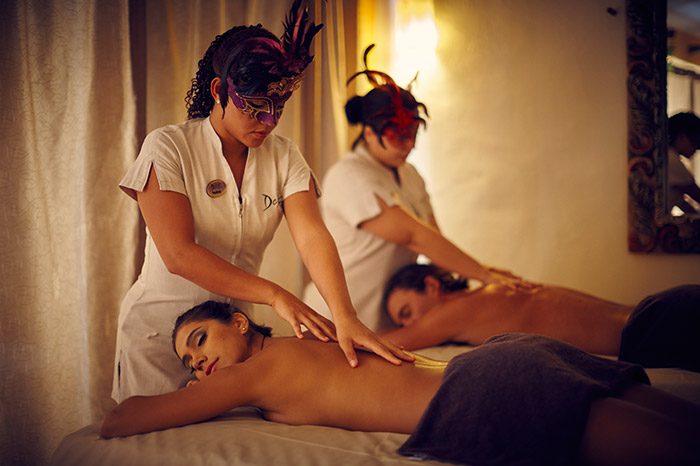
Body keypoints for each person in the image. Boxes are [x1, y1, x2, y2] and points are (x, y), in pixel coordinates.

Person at [112, 2, 409, 403]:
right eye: (256, 105)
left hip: (234, 340)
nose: (268, 121)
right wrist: (275, 294)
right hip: (162, 336)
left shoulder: (284, 156)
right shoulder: (169, 147)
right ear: (219, 91)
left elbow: (313, 236)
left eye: (279, 106)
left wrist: (345, 316)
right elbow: (179, 254)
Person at [101, 301, 700, 466]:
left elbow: (121, 419)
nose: (196, 366)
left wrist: (172, 389)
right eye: (187, 363)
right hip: (503, 359)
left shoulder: (256, 370)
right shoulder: (310, 333)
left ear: (237, 321)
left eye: (199, 342)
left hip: (483, 390)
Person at [303, 44, 530, 332]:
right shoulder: (349, 175)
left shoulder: (410, 174)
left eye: (411, 135)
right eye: (397, 136)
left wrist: (472, 288)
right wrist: (483, 274)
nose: (408, 145)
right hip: (332, 318)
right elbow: (414, 236)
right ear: (369, 133)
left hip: (390, 320)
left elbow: (433, 236)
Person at [380, 263, 700, 372]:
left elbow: (385, 343)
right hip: (660, 314)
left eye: (406, 313)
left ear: (432, 286)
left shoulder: (454, 312)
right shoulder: (490, 289)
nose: (410, 325)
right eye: (402, 321)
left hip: (655, 329)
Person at [667, 112, 700, 214]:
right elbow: (695, 193)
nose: (697, 149)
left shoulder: (667, 156)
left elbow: (681, 202)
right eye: (695, 142)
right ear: (681, 137)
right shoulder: (670, 158)